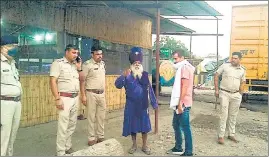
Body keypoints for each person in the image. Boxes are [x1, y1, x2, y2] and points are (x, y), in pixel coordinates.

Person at [115, 47, 158, 155]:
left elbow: (150, 90)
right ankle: (134, 145)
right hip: (131, 105)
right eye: (135, 62)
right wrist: (123, 76)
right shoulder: (127, 75)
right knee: (132, 126)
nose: (137, 64)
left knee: (144, 126)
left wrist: (154, 103)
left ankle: (144, 145)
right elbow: (117, 85)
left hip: (143, 104)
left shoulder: (144, 74)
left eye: (139, 62)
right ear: (132, 63)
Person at [50, 44, 83, 156]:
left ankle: (67, 146)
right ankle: (60, 152)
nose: (76, 55)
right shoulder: (58, 63)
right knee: (63, 126)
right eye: (73, 52)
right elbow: (53, 81)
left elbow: (82, 79)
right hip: (64, 98)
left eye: (77, 53)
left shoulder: (75, 65)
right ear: (67, 52)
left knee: (72, 124)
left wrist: (79, 68)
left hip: (75, 98)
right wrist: (57, 98)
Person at [167, 49, 195, 156]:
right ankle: (178, 147)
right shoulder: (181, 67)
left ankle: (188, 151)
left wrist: (179, 104)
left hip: (183, 103)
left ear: (182, 58)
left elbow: (184, 87)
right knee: (176, 125)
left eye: (176, 58)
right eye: (174, 58)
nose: (174, 61)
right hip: (180, 102)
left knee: (184, 127)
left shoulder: (185, 68)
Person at [214, 52, 246, 144]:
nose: (233, 60)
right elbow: (216, 75)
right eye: (232, 58)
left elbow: (243, 81)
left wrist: (241, 92)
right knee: (223, 115)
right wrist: (216, 89)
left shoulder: (242, 69)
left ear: (240, 59)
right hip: (224, 93)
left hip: (236, 95)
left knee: (233, 115)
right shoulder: (225, 66)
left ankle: (231, 134)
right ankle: (221, 136)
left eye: (235, 58)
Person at [80, 45, 106, 146]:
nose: (100, 56)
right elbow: (82, 81)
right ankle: (91, 138)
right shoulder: (87, 65)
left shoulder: (102, 64)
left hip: (102, 94)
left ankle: (100, 136)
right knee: (91, 117)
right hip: (91, 94)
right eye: (97, 54)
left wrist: (104, 92)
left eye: (101, 54)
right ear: (92, 54)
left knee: (101, 116)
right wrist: (83, 95)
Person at [1, 36, 22, 156]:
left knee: (12, 134)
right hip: (4, 103)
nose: (14, 49)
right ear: (2, 48)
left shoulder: (13, 63)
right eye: (11, 46)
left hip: (16, 102)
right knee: (4, 134)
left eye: (16, 46)